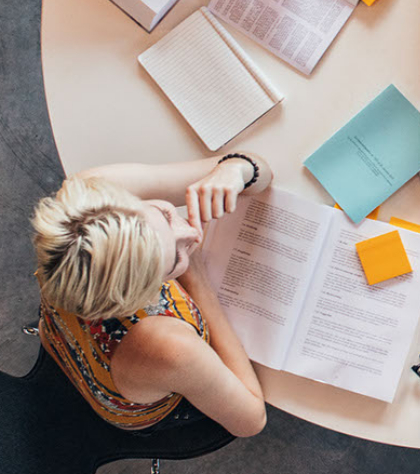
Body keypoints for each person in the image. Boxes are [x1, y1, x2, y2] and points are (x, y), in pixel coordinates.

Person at [29, 153, 272, 438]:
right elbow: (251, 420)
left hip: (62, 336)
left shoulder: (90, 195)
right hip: (137, 402)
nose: (192, 233)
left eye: (165, 214)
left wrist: (235, 170)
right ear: (141, 296)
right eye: (174, 261)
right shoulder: (168, 345)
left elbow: (259, 169)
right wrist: (197, 281)